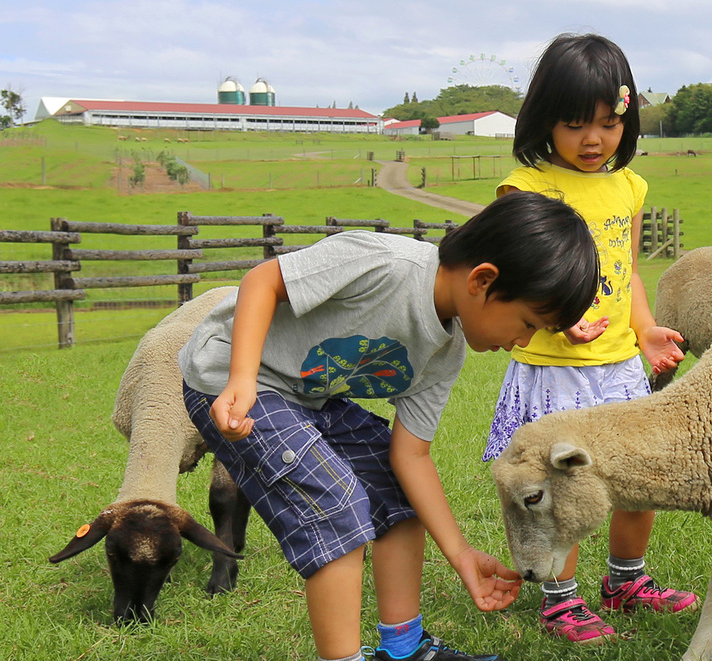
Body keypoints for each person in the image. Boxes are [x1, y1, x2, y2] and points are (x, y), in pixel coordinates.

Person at [178, 190, 600, 661]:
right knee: (336, 499)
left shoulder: (446, 350)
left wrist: (462, 555)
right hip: (227, 378)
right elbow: (262, 281)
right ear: (483, 280)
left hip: (307, 396)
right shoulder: (383, 262)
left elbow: (410, 455)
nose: (523, 340)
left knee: (395, 485)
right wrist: (241, 379)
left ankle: (404, 649)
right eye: (527, 323)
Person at [482, 32, 698, 646]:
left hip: (619, 364)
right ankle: (560, 597)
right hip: (556, 367)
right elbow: (513, 280)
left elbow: (626, 272)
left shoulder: (628, 188)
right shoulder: (525, 189)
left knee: (641, 474)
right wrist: (556, 315)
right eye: (576, 124)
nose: (593, 139)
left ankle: (626, 580)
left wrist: (648, 328)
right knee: (560, 487)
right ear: (545, 118)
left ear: (625, 119)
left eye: (606, 123)